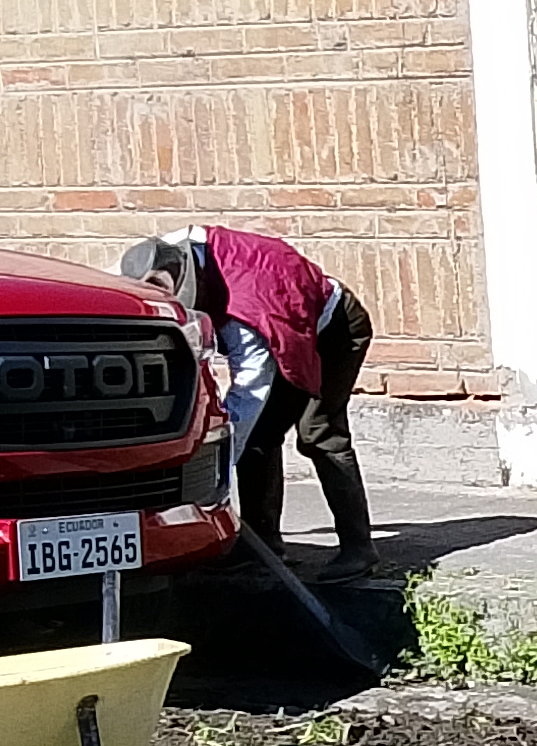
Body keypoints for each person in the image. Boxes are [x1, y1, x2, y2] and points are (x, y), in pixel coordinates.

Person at [118, 227, 376, 584]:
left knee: (318, 432)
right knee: (260, 438)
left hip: (334, 329)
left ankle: (359, 548)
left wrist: (213, 473)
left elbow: (246, 400)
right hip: (288, 322)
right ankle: (262, 547)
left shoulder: (245, 318)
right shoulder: (168, 252)